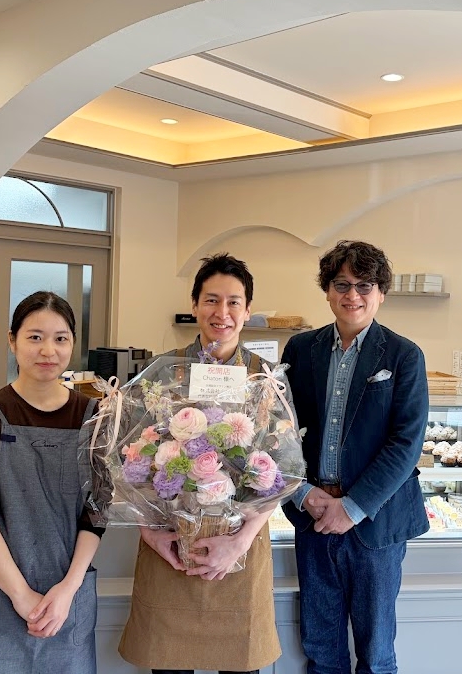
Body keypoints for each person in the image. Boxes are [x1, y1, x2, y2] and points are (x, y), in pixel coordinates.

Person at [118, 253, 281, 674]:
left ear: (247, 311)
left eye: (233, 302)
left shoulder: (266, 378)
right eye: (211, 300)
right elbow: (128, 457)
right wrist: (150, 532)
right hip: (170, 545)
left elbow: (282, 467)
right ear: (194, 305)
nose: (221, 312)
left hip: (240, 548)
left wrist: (239, 542)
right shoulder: (162, 371)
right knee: (169, 665)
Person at [281, 240, 429, 674]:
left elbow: (406, 444)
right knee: (321, 650)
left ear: (381, 293)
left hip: (375, 523)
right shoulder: (299, 349)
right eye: (342, 284)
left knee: (376, 655)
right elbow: (280, 431)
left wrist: (353, 507)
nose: (353, 295)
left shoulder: (404, 356)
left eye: (365, 285)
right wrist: (302, 492)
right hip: (313, 516)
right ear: (327, 290)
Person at [0, 291, 103, 673]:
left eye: (60, 338)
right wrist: (21, 595)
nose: (48, 350)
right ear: (12, 341)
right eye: (35, 337)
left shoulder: (94, 418)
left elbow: (97, 511)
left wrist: (68, 589)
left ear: (72, 344)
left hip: (67, 596)